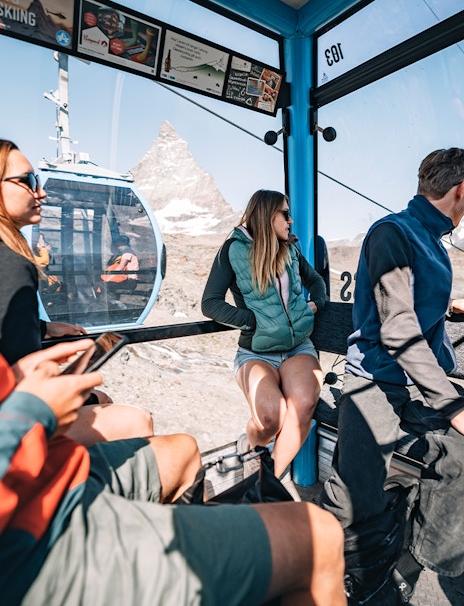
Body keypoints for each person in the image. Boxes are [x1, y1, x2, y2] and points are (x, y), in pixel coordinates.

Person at [0, 339, 346, 606]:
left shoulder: (294, 264)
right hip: (31, 538)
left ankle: (190, 577)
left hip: (43, 473)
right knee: (319, 535)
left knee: (183, 449)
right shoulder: (239, 251)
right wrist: (31, 410)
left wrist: (13, 381)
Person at [319, 148, 464, 604]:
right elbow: (398, 327)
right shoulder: (392, 232)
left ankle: (421, 557)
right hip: (376, 382)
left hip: (418, 382)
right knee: (355, 492)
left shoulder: (432, 241)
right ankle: (342, 574)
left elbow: (419, 310)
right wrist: (455, 404)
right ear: (461, 191)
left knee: (459, 455)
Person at [0, 139, 154, 445]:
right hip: (16, 423)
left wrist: (43, 328)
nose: (40, 192)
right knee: (139, 420)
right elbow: (21, 371)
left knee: (103, 399)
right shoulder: (12, 264)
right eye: (28, 181)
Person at [202, 189, 326, 478]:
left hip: (298, 348)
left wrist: (314, 305)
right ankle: (249, 445)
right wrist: (252, 321)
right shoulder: (232, 250)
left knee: (303, 406)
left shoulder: (290, 249)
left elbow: (315, 280)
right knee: (271, 416)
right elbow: (210, 303)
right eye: (285, 213)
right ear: (267, 214)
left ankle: (267, 484)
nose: (291, 221)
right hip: (256, 353)